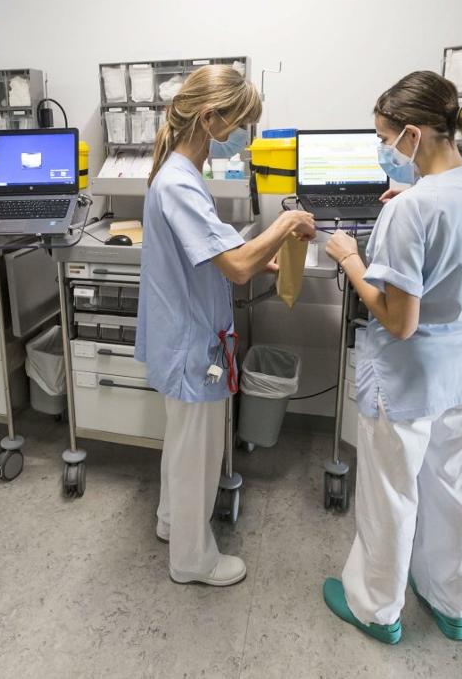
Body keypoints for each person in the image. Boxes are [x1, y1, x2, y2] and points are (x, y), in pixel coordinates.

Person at [320, 71, 462, 643]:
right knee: (453, 489)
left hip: (405, 382)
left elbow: (399, 321)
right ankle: (451, 602)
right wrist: (421, 200)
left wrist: (349, 257)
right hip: (461, 372)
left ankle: (375, 609)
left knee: (390, 495)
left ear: (411, 134)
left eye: (384, 139)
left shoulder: (408, 211)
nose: (383, 151)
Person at [136, 64, 316, 587]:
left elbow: (220, 252)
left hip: (185, 338)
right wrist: (282, 225)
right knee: (199, 453)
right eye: (241, 126)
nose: (243, 139)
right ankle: (193, 560)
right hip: (193, 346)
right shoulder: (178, 185)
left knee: (183, 443)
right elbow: (234, 265)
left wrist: (263, 258)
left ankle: (173, 522)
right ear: (211, 118)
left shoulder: (181, 176)